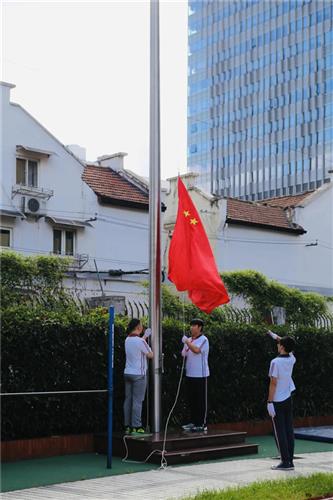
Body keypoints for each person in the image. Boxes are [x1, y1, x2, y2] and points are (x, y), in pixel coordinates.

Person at [267, 330, 296, 470]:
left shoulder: (275, 362)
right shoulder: (292, 358)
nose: (277, 345)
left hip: (277, 400)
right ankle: (290, 460)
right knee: (288, 430)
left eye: (279, 344)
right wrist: (273, 335)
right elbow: (288, 345)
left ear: (282, 347)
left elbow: (273, 383)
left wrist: (269, 402)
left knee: (279, 432)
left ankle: (285, 461)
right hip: (288, 398)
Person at [123, 319, 153, 435]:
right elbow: (150, 355)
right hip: (139, 375)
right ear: (138, 327)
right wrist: (145, 339)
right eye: (141, 325)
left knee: (128, 400)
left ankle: (127, 426)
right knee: (137, 401)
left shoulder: (127, 339)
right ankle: (136, 426)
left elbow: (139, 345)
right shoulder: (141, 341)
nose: (142, 327)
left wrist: (144, 337)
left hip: (128, 373)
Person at [181, 318, 209, 432]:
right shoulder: (189, 339)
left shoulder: (204, 339)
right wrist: (186, 344)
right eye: (191, 325)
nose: (191, 328)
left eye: (194, 326)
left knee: (200, 400)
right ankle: (193, 422)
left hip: (201, 374)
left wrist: (187, 342)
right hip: (190, 373)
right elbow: (184, 353)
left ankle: (201, 423)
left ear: (199, 327)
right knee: (191, 399)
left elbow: (197, 350)